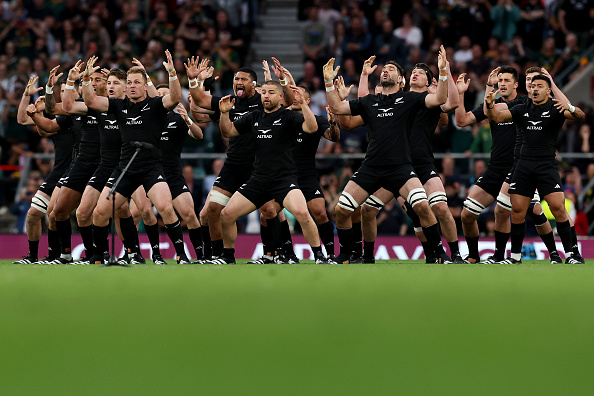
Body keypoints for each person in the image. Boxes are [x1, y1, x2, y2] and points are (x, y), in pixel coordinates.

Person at [323, 46, 449, 264]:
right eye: (384, 68)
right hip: (371, 167)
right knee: (341, 209)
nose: (385, 70)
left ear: (401, 79)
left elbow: (439, 99)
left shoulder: (409, 99)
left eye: (391, 69)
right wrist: (327, 82)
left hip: (401, 167)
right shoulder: (369, 102)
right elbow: (337, 107)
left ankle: (438, 253)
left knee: (422, 206)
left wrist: (443, 72)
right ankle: (347, 255)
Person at [83, 51, 191, 264]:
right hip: (125, 168)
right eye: (129, 82)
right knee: (99, 213)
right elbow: (91, 101)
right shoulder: (118, 106)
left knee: (165, 208)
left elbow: (175, 98)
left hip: (151, 167)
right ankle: (98, 256)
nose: (132, 85)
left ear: (144, 86)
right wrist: (86, 79)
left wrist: (172, 74)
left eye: (136, 82)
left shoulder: (155, 105)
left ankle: (181, 254)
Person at [188, 57, 294, 260]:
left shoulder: (263, 101)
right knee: (212, 209)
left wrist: (283, 82)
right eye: (236, 78)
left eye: (244, 79)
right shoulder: (229, 102)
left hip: (258, 165)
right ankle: (219, 255)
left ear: (254, 84)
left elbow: (287, 100)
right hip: (234, 164)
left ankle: (279, 253)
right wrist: (195, 81)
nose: (239, 82)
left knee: (269, 210)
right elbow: (200, 102)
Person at [213, 81, 328, 264]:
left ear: (281, 97)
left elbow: (312, 128)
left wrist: (304, 104)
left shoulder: (289, 116)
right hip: (258, 180)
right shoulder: (253, 117)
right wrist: (225, 113)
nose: (266, 95)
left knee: (302, 213)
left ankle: (320, 256)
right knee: (226, 215)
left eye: (271, 92)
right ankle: (228, 257)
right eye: (264, 92)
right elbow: (227, 131)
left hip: (284, 180)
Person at [485, 74, 586, 264]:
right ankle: (515, 257)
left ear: (548, 90)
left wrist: (570, 107)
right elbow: (496, 118)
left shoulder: (555, 107)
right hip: (523, 166)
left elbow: (580, 115)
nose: (534, 89)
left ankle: (573, 254)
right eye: (532, 86)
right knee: (517, 212)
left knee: (558, 208)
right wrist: (489, 105)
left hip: (546, 165)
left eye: (539, 86)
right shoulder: (522, 107)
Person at [13, 75, 77, 264]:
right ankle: (32, 256)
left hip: (79, 172)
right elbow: (22, 119)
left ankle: (59, 255)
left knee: (56, 213)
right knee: (33, 214)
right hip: (58, 172)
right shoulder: (56, 114)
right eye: (63, 91)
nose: (65, 94)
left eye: (69, 91)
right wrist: (27, 96)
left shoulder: (82, 115)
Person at [155, 83, 205, 263]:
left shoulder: (178, 119)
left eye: (165, 94)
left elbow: (199, 135)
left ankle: (201, 255)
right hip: (151, 174)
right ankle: (151, 254)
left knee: (190, 214)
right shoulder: (147, 118)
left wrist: (188, 118)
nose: (162, 97)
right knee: (139, 213)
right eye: (159, 94)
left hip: (173, 174)